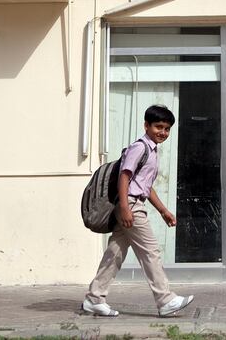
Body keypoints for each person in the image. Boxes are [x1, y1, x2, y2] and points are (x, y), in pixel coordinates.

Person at [83, 104, 194, 318]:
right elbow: (124, 177)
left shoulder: (152, 150)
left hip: (133, 202)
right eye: (158, 126)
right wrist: (125, 207)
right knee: (150, 250)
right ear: (146, 125)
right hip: (130, 205)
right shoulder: (140, 148)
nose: (162, 132)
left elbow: (145, 185)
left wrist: (163, 211)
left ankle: (94, 298)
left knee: (114, 253)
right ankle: (165, 299)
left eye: (167, 128)